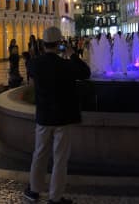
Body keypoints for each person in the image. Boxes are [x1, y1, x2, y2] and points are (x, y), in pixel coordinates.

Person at [24, 27, 91, 204]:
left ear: (43, 44)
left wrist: (36, 53)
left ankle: (34, 190)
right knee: (60, 158)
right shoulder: (66, 65)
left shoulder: (35, 64)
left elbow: (29, 64)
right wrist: (72, 54)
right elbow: (86, 73)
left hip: (44, 117)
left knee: (39, 154)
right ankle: (55, 197)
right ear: (59, 43)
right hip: (63, 117)